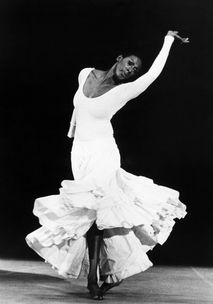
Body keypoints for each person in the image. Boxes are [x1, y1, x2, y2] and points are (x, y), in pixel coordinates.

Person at [26, 30, 188, 300]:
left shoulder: (124, 90)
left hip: (103, 152)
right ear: (119, 58)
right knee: (89, 216)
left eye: (135, 69)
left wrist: (168, 40)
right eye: (130, 63)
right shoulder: (85, 73)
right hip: (80, 153)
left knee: (100, 214)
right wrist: (72, 132)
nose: (132, 70)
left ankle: (95, 279)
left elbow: (153, 74)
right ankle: (108, 273)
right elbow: (79, 107)